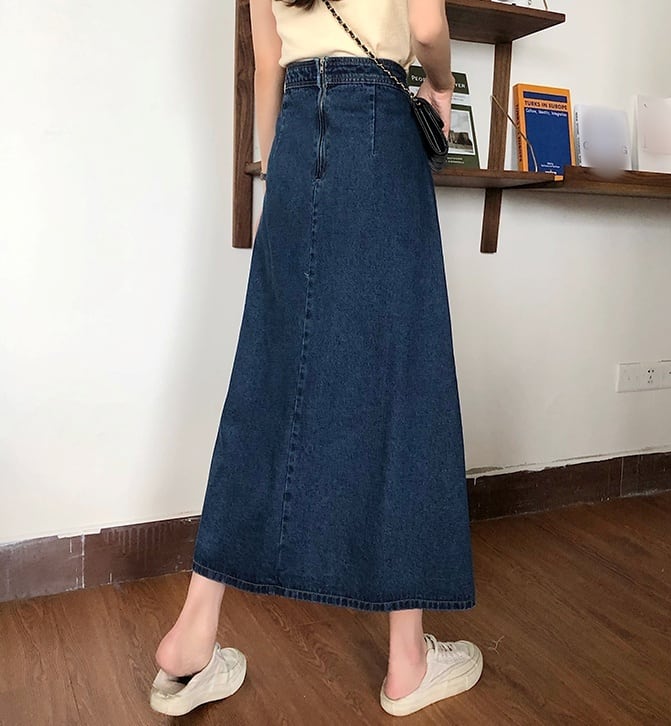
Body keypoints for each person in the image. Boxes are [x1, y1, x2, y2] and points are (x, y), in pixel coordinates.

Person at [149, 0, 481, 717]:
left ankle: (193, 632)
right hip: (378, 126)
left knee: (271, 374)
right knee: (403, 375)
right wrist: (439, 85)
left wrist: (282, 165)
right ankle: (407, 660)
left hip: (297, 132)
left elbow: (268, 58)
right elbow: (427, 28)